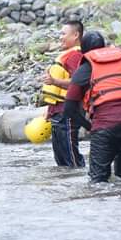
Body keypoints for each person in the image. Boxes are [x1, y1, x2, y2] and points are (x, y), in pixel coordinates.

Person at [61, 31, 121, 183]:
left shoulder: (85, 69)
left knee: (98, 180)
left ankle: (100, 205)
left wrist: (89, 126)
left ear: (83, 51)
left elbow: (69, 108)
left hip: (106, 123)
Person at [41, 20, 86, 169]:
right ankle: (65, 185)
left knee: (70, 155)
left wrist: (54, 81)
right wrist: (50, 110)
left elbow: (78, 81)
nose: (60, 37)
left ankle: (79, 180)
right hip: (57, 112)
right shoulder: (66, 55)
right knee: (60, 157)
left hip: (68, 111)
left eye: (63, 33)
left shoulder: (75, 55)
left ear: (75, 35)